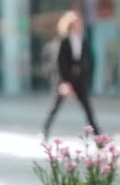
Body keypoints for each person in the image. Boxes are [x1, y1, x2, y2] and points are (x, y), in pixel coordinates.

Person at [42, 11, 101, 141]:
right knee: (55, 107)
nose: (79, 25)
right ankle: (45, 131)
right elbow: (59, 62)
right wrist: (63, 82)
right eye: (76, 23)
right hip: (66, 80)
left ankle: (98, 135)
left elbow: (88, 60)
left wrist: (86, 77)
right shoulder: (63, 40)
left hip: (79, 80)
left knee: (87, 108)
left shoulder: (83, 40)